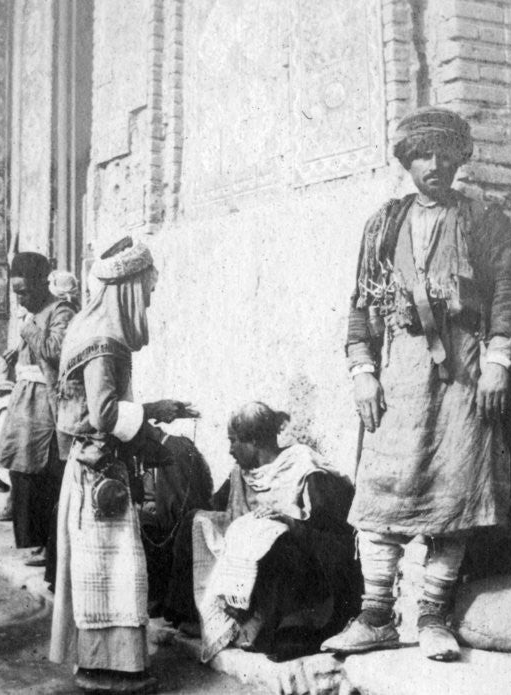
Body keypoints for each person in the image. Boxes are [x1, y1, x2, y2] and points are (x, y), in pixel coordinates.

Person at [321, 106, 511, 661]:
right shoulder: (384, 223)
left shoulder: (483, 219)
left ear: (461, 157)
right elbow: (361, 304)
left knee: (455, 493)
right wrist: (363, 373)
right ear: (406, 161)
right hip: (400, 371)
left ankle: (434, 617)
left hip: (465, 374)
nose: (434, 165)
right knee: (381, 493)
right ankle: (375, 618)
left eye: (444, 153)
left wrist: (499, 360)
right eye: (422, 155)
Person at [48, 236, 197, 694]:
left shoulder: (88, 327)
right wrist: (153, 416)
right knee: (114, 571)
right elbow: (104, 414)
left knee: (103, 572)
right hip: (100, 474)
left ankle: (105, 665)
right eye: (147, 288)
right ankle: (110, 670)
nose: (150, 297)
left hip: (92, 468)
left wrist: (155, 410)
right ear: (129, 287)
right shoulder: (105, 340)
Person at [191, 403, 360, 663]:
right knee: (197, 521)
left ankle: (285, 626)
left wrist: (289, 522)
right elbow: (218, 507)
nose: (230, 450)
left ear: (255, 440)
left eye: (234, 441)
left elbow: (332, 530)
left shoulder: (303, 464)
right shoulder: (241, 473)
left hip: (309, 566)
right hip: (252, 555)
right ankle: (202, 616)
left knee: (274, 541)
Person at [0, 255, 78, 573]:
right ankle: (41, 542)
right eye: (16, 292)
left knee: (44, 472)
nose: (20, 299)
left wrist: (29, 329)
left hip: (47, 401)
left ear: (43, 285)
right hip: (26, 398)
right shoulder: (34, 314)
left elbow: (55, 350)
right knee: (21, 467)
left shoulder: (62, 311)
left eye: (25, 292)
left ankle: (52, 545)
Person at [138, 426, 214, 619]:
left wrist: (154, 510)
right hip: (170, 521)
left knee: (142, 524)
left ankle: (158, 599)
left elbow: (182, 503)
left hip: (180, 527)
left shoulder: (174, 449)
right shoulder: (163, 448)